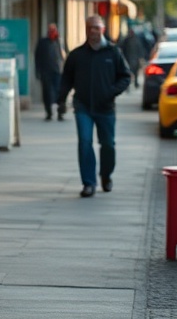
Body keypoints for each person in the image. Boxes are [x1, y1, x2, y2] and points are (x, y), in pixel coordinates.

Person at [57, 14, 133, 198]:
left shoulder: (113, 53)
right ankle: (88, 183)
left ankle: (106, 175)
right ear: (86, 30)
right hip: (83, 106)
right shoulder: (77, 55)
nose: (93, 31)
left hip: (106, 108)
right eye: (90, 28)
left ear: (103, 30)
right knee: (84, 143)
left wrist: (112, 91)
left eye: (96, 28)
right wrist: (61, 101)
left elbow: (125, 76)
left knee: (108, 144)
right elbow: (66, 79)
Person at [34, 23, 66, 120]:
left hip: (58, 71)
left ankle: (61, 113)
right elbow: (37, 57)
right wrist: (38, 71)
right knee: (47, 93)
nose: (52, 32)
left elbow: (65, 55)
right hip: (45, 71)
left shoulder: (60, 41)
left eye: (54, 30)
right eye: (50, 30)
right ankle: (49, 113)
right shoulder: (43, 42)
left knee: (60, 92)